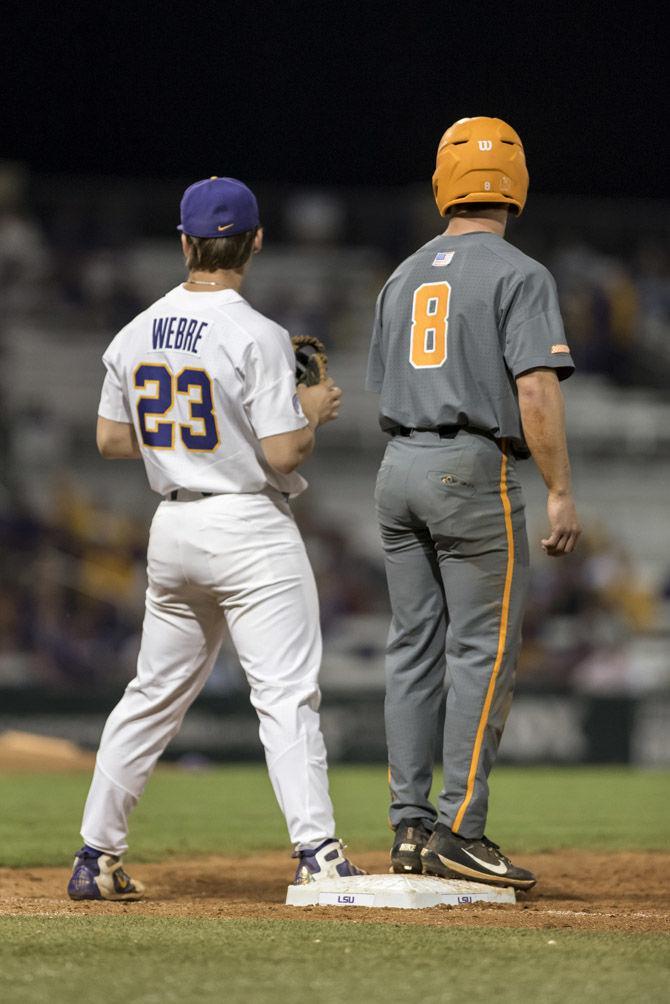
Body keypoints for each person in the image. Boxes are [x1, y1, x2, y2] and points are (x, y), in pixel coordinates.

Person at [67, 176, 363, 901]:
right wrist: (310, 408)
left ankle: (94, 856)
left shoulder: (135, 330)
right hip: (247, 526)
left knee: (151, 695)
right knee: (286, 694)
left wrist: (190, 446)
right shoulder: (256, 334)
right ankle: (319, 853)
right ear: (256, 242)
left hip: (173, 527)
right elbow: (286, 453)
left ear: (184, 243)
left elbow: (109, 439)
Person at [367, 117, 581, 890]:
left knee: (411, 650)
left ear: (442, 185)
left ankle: (409, 828)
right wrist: (558, 488)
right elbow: (535, 390)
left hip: (398, 467)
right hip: (469, 466)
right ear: (515, 184)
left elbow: (383, 384)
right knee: (481, 654)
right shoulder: (520, 274)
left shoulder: (400, 275)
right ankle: (461, 829)